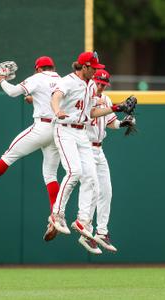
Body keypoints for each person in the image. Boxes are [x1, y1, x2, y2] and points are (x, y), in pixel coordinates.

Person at [0, 56, 61, 220]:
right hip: (58, 129)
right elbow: (54, 99)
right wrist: (35, 98)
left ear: (38, 69)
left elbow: (13, 92)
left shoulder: (37, 78)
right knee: (51, 175)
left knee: (8, 156)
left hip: (42, 127)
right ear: (53, 67)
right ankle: (56, 215)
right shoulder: (62, 80)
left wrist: (1, 79)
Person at [48, 52, 128, 247]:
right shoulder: (68, 81)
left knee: (91, 177)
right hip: (64, 129)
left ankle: (82, 221)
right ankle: (56, 215)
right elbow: (56, 96)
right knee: (74, 172)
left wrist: (115, 108)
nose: (95, 69)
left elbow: (91, 112)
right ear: (84, 67)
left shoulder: (91, 85)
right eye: (92, 67)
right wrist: (57, 109)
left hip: (81, 131)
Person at [77, 69, 136, 254]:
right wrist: (116, 107)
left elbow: (110, 121)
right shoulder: (84, 96)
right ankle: (86, 230)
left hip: (99, 148)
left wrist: (122, 123)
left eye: (104, 84)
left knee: (107, 191)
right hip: (84, 147)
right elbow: (92, 112)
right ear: (92, 80)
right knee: (92, 187)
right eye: (99, 83)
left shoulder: (108, 99)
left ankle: (101, 232)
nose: (101, 86)